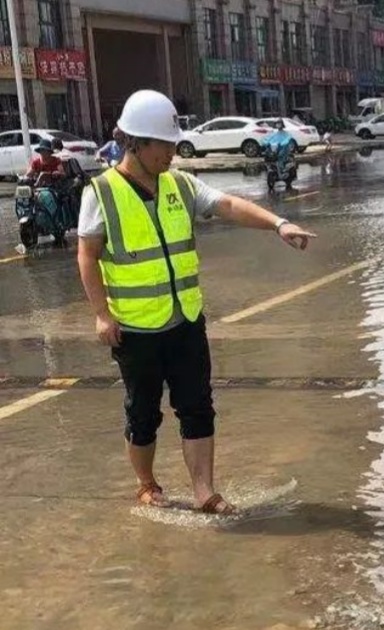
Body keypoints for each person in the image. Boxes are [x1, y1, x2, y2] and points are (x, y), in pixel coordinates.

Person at [77, 90, 316, 515]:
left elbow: (228, 205)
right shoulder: (102, 192)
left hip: (186, 320)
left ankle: (205, 491)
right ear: (137, 142)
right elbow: (87, 255)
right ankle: (147, 483)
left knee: (198, 406)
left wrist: (278, 224)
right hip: (135, 328)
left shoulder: (180, 184)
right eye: (164, 145)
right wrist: (101, 314)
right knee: (143, 414)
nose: (172, 152)